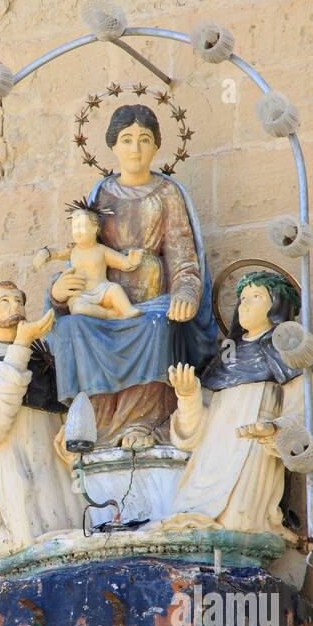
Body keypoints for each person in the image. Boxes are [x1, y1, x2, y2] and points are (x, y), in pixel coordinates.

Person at [44, 103, 216, 449]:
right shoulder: (101, 194)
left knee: (155, 325)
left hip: (152, 301)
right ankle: (94, 423)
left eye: (144, 139)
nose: (135, 148)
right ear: (112, 145)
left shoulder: (167, 193)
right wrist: (59, 292)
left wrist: (185, 293)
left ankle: (145, 422)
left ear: (156, 145)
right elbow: (81, 253)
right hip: (101, 299)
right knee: (72, 327)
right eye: (126, 139)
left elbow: (183, 256)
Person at [163, 270, 313, 536]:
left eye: (256, 297)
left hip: (253, 456)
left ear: (277, 305)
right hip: (209, 462)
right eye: (242, 298)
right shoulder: (224, 359)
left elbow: (300, 416)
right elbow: (193, 435)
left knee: (237, 524)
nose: (244, 304)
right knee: (181, 523)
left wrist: (274, 430)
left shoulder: (288, 358)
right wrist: (188, 396)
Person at [0, 282, 84, 562]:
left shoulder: (43, 355)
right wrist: (20, 346)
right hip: (17, 466)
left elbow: (69, 405)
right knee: (32, 545)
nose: (15, 306)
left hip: (58, 466)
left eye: (18, 300)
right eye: (4, 301)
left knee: (73, 538)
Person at [34, 198, 143, 318]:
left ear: (94, 228)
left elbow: (122, 262)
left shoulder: (101, 250)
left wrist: (131, 261)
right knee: (78, 309)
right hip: (80, 294)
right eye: (75, 227)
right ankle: (108, 314)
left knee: (115, 289)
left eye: (81, 227)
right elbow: (56, 254)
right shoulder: (72, 250)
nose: (77, 232)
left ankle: (127, 310)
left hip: (102, 289)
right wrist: (45, 253)